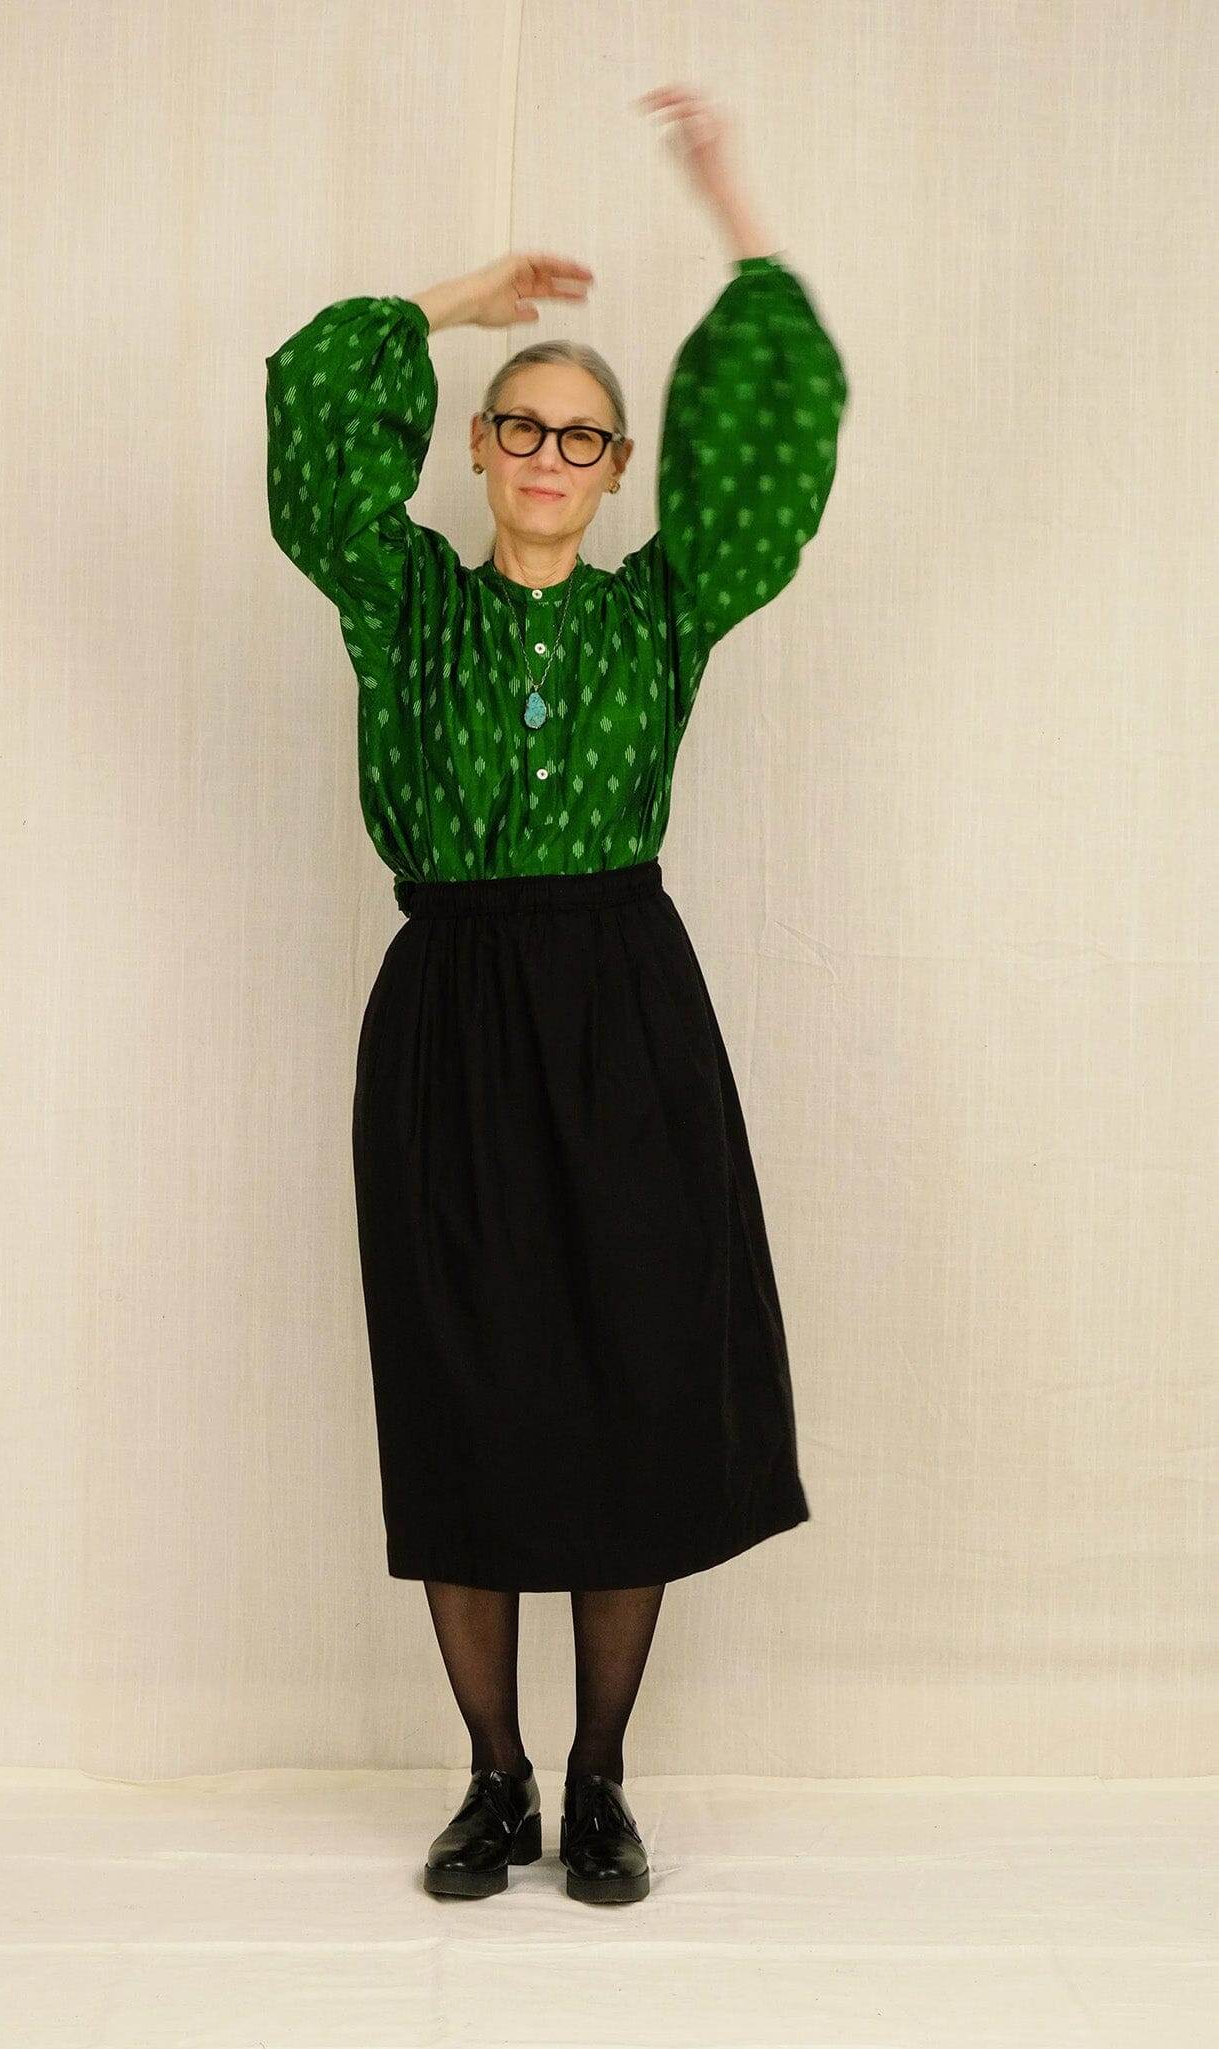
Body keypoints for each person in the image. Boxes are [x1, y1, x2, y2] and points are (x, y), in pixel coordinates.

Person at [264, 84, 848, 1906]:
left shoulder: (662, 612)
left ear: (611, 477)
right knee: (466, 1388)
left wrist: (736, 210)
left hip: (621, 1016)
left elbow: (773, 452)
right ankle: (491, 1779)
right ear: (482, 450)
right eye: (518, 425)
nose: (541, 450)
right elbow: (306, 432)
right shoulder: (403, 603)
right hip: (446, 1009)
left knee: (627, 1380)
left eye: (580, 437)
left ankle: (599, 1778)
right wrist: (450, 304)